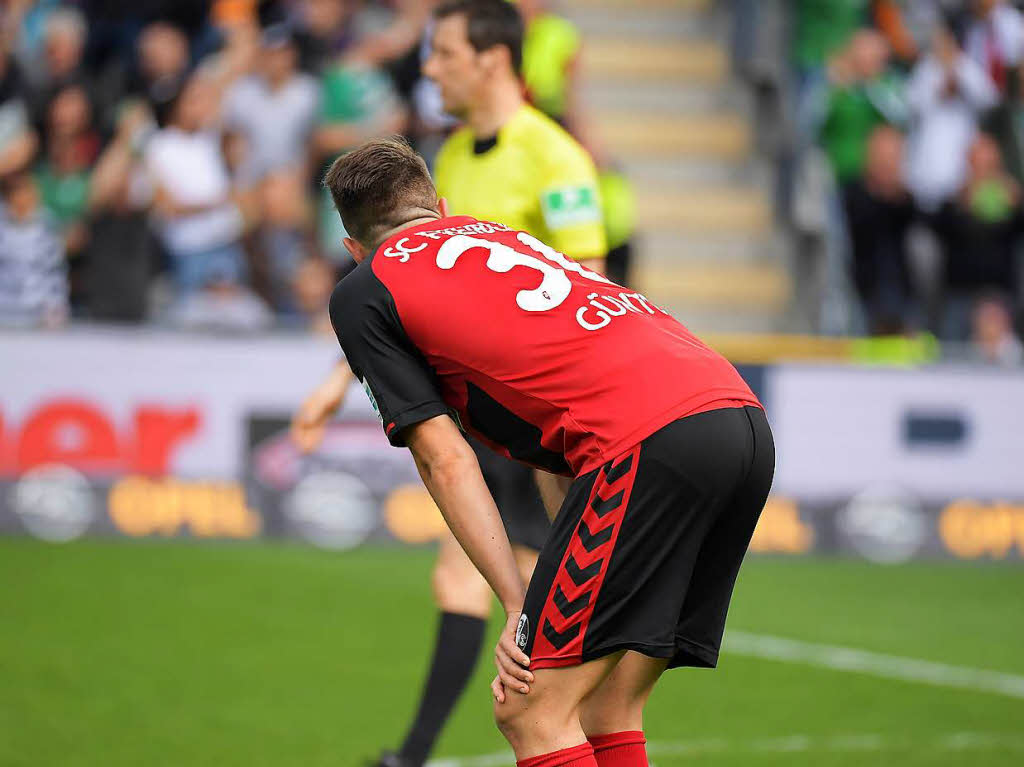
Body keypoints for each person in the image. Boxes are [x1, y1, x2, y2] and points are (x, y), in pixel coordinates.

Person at [324, 137, 773, 767]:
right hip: (738, 417)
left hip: (646, 440)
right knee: (608, 702)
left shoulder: (364, 289)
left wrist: (517, 604)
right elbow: (553, 431)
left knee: (530, 706)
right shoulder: (501, 239)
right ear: (442, 208)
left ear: (353, 248)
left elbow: (443, 460)